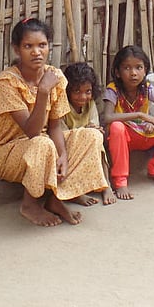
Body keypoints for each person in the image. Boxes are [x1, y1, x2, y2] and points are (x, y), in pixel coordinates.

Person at [0, 19, 110, 227]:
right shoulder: (7, 82)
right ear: (16, 49)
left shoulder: (55, 76)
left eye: (42, 45)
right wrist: (42, 92)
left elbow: (54, 126)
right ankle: (30, 205)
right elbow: (32, 131)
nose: (36, 52)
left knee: (92, 136)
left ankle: (56, 198)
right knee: (42, 143)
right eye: (28, 46)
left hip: (44, 143)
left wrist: (63, 155)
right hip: (8, 152)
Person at [100, 45, 154, 198]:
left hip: (146, 133)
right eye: (127, 68)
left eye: (138, 67)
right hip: (124, 138)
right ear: (117, 72)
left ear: (145, 71)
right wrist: (140, 115)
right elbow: (108, 117)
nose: (133, 73)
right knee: (116, 126)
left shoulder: (147, 88)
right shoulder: (113, 90)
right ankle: (120, 181)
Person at [62, 61, 117, 206]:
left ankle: (106, 185)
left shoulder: (90, 104)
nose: (83, 97)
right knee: (91, 137)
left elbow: (95, 126)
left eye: (87, 91)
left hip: (89, 142)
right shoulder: (62, 106)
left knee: (98, 142)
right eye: (77, 91)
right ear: (67, 90)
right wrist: (85, 131)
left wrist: (92, 130)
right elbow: (61, 135)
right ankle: (76, 192)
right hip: (68, 147)